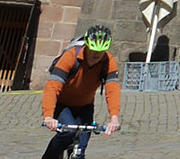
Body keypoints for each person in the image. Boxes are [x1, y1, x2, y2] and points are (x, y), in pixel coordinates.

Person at [40, 25, 122, 159]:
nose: (96, 55)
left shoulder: (108, 61)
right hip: (62, 104)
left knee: (80, 150)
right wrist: (48, 116)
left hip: (85, 106)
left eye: (101, 52)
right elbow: (52, 86)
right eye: (93, 50)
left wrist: (114, 118)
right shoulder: (71, 56)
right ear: (86, 46)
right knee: (68, 133)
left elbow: (112, 90)